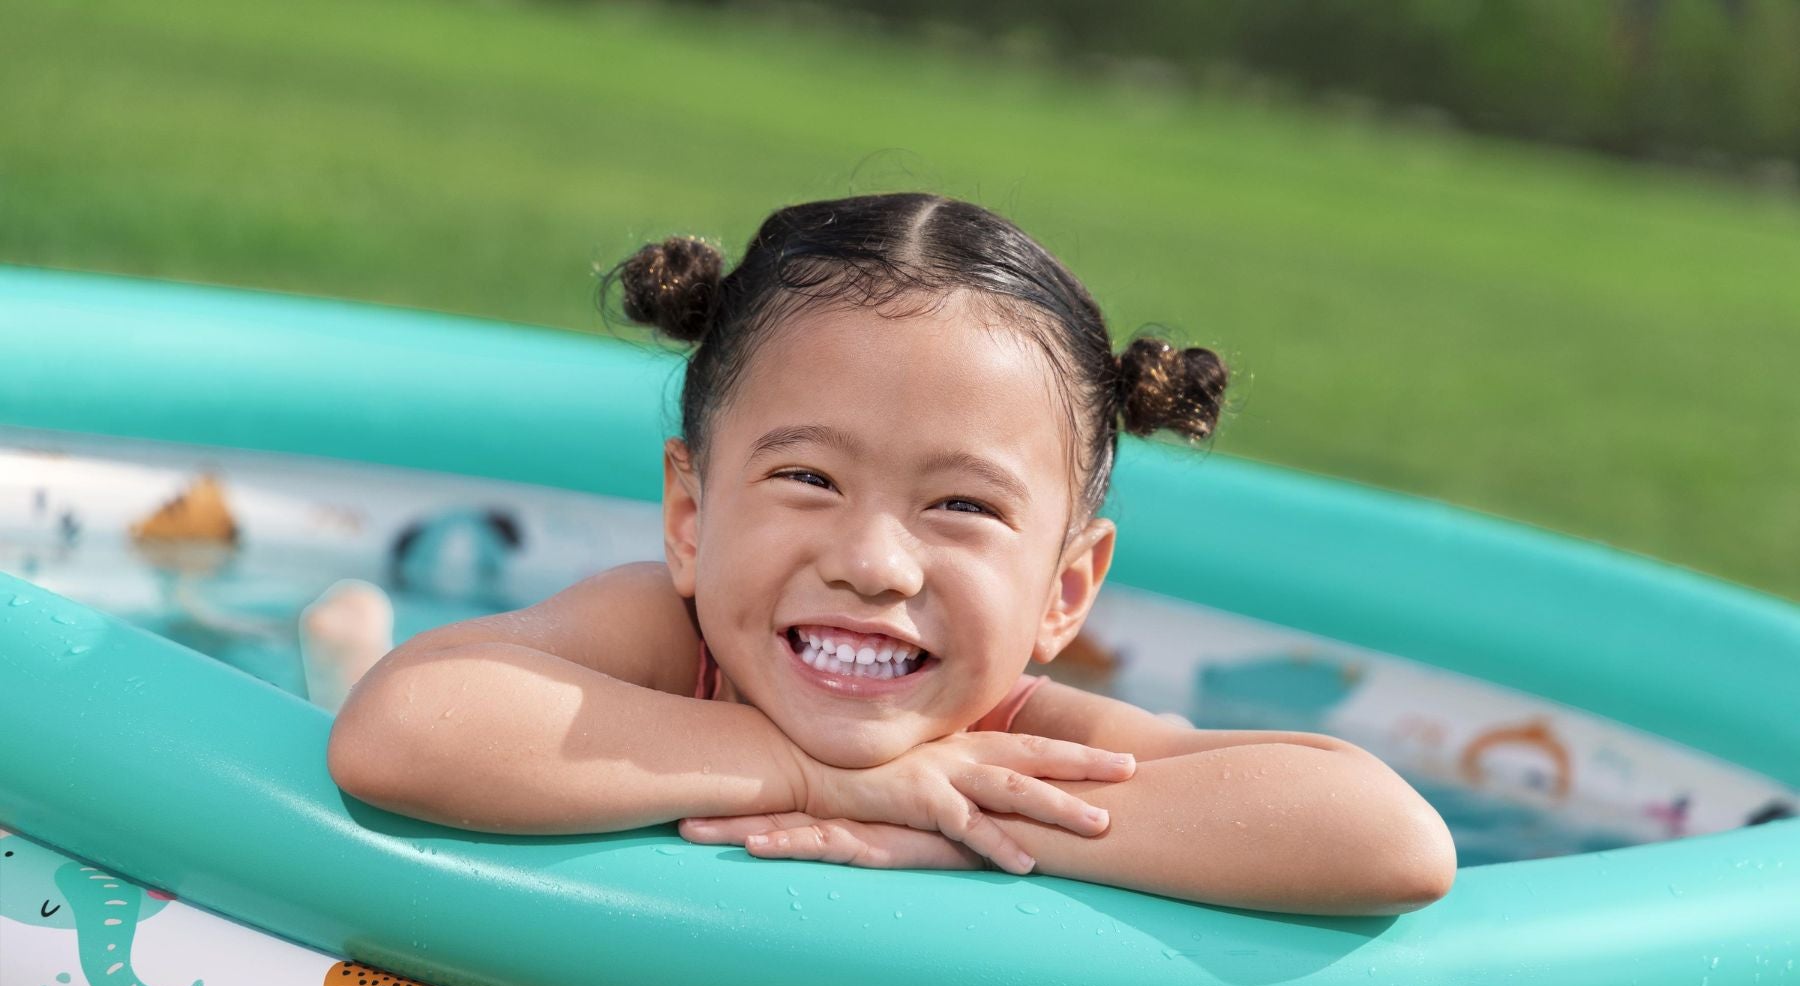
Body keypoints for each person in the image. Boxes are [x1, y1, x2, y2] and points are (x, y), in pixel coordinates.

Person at [327, 192, 1455, 916]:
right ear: (689, 516)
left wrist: (973, 817)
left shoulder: (1022, 742)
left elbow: (1388, 838)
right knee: (341, 689)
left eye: (961, 505)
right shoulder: (660, 641)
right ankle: (335, 647)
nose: (874, 563)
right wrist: (826, 777)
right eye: (809, 479)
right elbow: (404, 730)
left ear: (1065, 591)